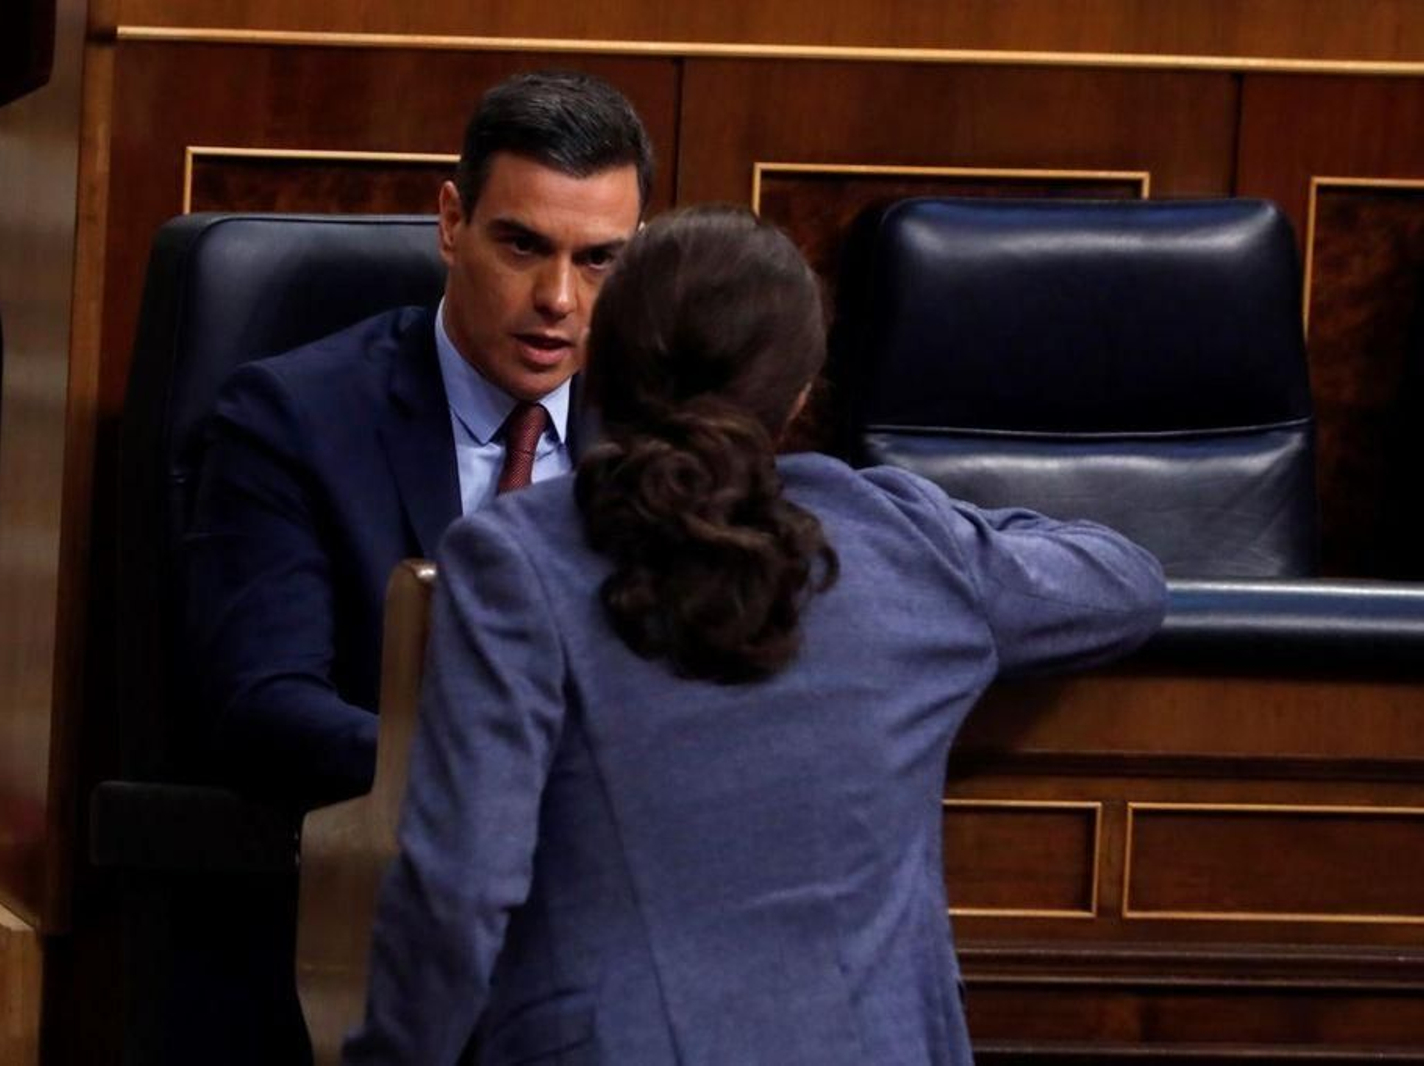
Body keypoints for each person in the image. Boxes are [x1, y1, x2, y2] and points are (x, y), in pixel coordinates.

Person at [344, 206, 1166, 1065]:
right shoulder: (908, 540)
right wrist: (937, 518)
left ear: (604, 358)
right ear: (801, 393)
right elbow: (1128, 581)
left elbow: (459, 891)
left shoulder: (514, 561)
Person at [184, 71, 653, 811]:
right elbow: (263, 704)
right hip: (385, 869)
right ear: (450, 223)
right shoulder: (295, 419)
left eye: (599, 259)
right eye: (524, 246)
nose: (559, 300)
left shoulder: (658, 428)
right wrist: (488, 772)